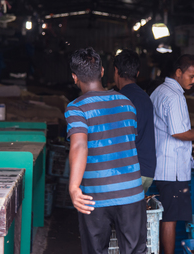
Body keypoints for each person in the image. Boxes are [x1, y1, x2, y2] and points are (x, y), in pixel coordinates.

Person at [64, 47, 147, 254]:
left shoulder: (76, 108)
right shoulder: (127, 103)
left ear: (74, 77)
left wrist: (74, 188)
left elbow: (79, 144)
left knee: (95, 250)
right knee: (135, 250)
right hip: (131, 193)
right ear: (102, 71)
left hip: (94, 196)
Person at [150, 54, 194, 254]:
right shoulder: (175, 96)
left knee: (168, 215)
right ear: (179, 73)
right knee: (170, 218)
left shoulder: (160, 91)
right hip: (172, 169)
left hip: (162, 163)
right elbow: (177, 132)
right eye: (191, 76)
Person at [114, 49, 156, 193]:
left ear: (116, 71)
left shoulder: (119, 100)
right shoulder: (146, 99)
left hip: (129, 173)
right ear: (137, 74)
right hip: (147, 171)